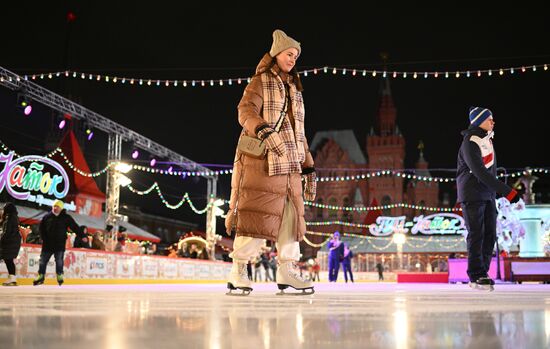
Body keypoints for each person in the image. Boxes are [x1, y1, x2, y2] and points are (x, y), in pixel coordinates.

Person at [224, 29, 316, 295]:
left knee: (290, 218)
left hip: (290, 164)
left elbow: (299, 131)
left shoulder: (296, 90)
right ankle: (238, 269)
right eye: (289, 54)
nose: (293, 59)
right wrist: (263, 129)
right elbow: (245, 111)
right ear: (277, 53)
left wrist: (308, 163)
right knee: (256, 214)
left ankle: (287, 271)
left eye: (296, 56)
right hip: (263, 161)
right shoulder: (260, 81)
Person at [457, 107, 520, 291]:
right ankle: (475, 275)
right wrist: (507, 191)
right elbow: (479, 172)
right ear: (479, 121)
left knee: (490, 234)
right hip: (472, 195)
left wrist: (497, 192)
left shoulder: (487, 140)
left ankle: (482, 273)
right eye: (489, 119)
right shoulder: (470, 141)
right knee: (476, 234)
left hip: (487, 195)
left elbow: (489, 172)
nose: (493, 122)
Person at [33, 200, 84, 286]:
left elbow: (74, 227)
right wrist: (43, 238)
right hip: (47, 244)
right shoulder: (47, 217)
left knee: (59, 261)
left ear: (61, 208)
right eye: (54, 206)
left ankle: (59, 275)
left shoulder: (66, 217)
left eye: (57, 206)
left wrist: (82, 236)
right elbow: (41, 229)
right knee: (43, 261)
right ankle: (41, 275)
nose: (55, 208)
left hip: (59, 244)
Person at [0, 203, 21, 286]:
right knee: (8, 260)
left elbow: (6, 232)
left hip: (9, 242)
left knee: (8, 260)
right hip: (13, 242)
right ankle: (12, 278)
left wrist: (1, 240)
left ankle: (12, 279)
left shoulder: (9, 218)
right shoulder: (14, 218)